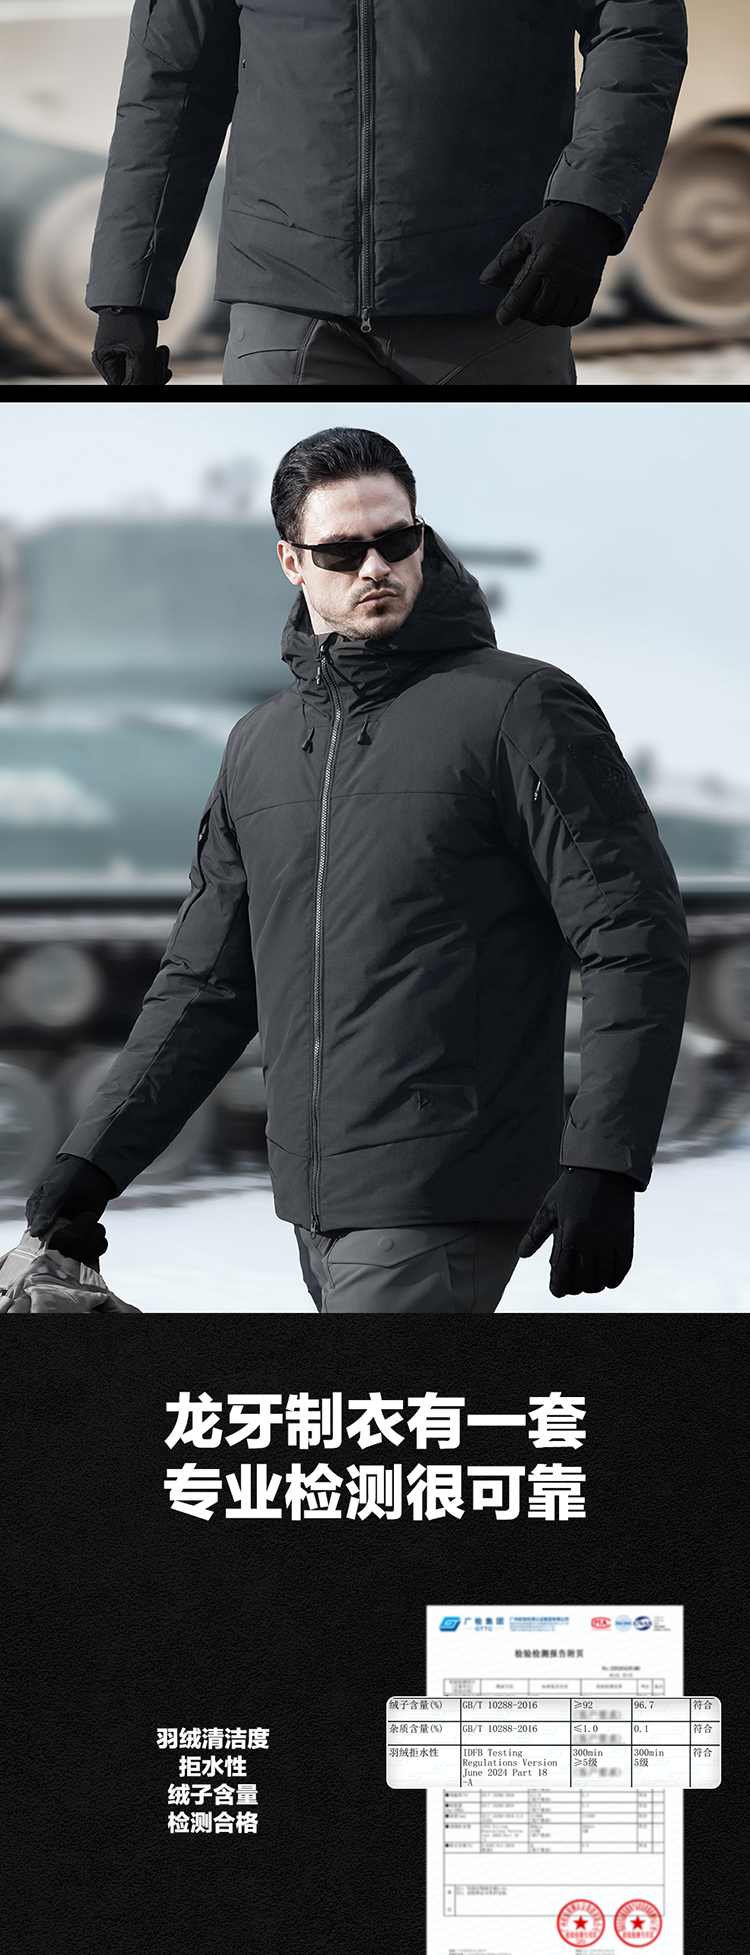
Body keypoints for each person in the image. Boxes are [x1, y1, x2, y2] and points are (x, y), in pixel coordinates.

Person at [27, 427, 690, 1313]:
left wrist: (605, 1157)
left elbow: (632, 933)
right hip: (311, 1200)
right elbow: (207, 984)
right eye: (342, 550)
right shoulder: (259, 747)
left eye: (397, 539)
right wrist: (96, 1156)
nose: (376, 565)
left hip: (444, 1185)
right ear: (292, 563)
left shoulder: (520, 710)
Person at [87, 0, 688, 389]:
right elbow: (172, 84)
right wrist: (126, 298)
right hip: (287, 309)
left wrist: (587, 204)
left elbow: (636, 26)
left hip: (496, 296)